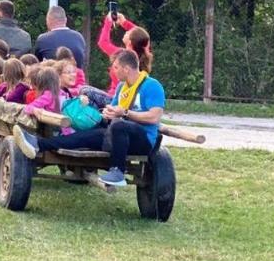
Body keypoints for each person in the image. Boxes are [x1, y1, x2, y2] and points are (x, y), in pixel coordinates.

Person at [15, 49, 166, 190]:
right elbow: (112, 109)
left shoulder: (151, 86)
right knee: (82, 136)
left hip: (142, 140)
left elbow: (154, 117)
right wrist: (106, 113)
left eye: (116, 68)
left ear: (126, 69)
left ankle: (117, 172)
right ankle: (38, 144)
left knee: (120, 125)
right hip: (116, 135)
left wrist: (125, 113)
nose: (113, 71)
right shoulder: (122, 87)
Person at [96, 11, 153, 90]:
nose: (126, 31)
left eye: (128, 32)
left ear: (130, 42)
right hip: (129, 96)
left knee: (86, 90)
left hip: (115, 96)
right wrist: (124, 22)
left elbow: (103, 42)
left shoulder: (121, 54)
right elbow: (143, 36)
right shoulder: (143, 52)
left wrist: (108, 21)